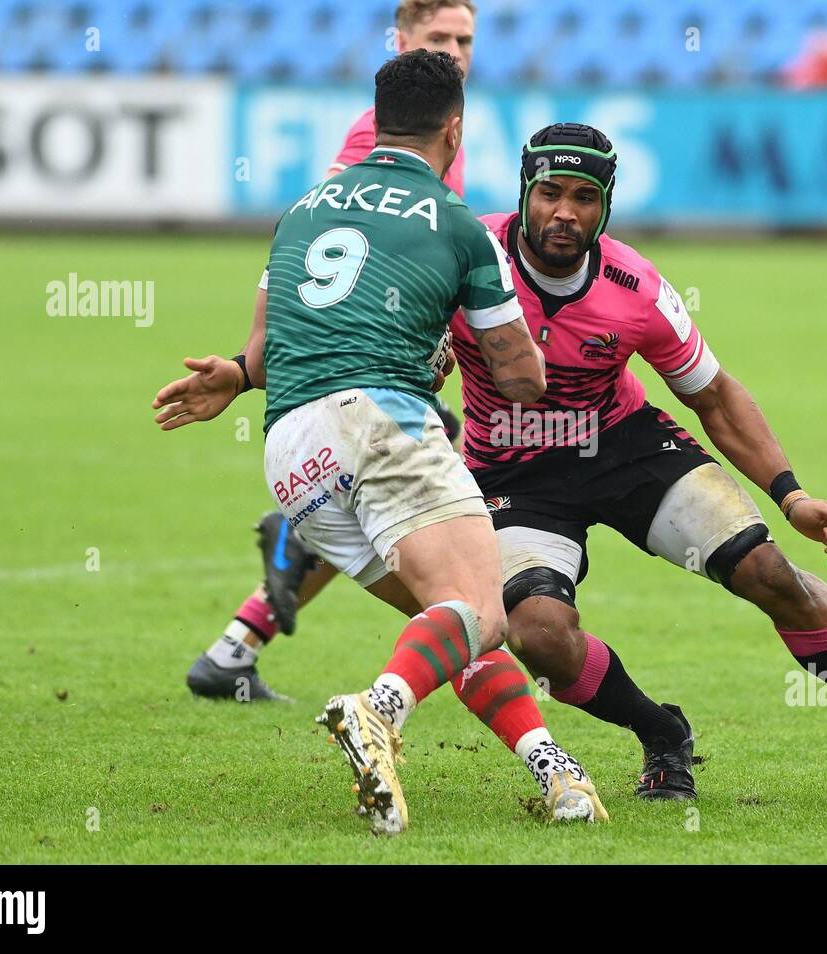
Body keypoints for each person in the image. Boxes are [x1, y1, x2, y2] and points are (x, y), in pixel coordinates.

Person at [446, 122, 827, 799]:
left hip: (622, 444)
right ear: (525, 192)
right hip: (513, 474)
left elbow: (714, 395)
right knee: (538, 634)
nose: (566, 213)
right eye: (551, 194)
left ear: (608, 204)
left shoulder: (634, 286)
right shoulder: (466, 256)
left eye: (586, 198)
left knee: (769, 572)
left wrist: (792, 495)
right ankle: (661, 733)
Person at [152, 52, 606, 835]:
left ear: (379, 118)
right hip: (378, 424)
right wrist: (451, 347)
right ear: (454, 130)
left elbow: (262, 351)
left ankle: (553, 770)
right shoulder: (460, 225)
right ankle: (375, 710)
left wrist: (230, 373)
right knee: (480, 609)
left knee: (449, 622)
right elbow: (521, 375)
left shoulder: (303, 210)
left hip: (291, 451)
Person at [186, 0, 479, 702]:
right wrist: (256, 355)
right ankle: (476, 640)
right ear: (399, 40)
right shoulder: (380, 139)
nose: (456, 49)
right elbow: (314, 238)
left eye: (465, 38)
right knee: (427, 494)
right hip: (357, 372)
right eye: (439, 36)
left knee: (381, 495)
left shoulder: (443, 134)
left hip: (383, 369)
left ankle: (234, 650)